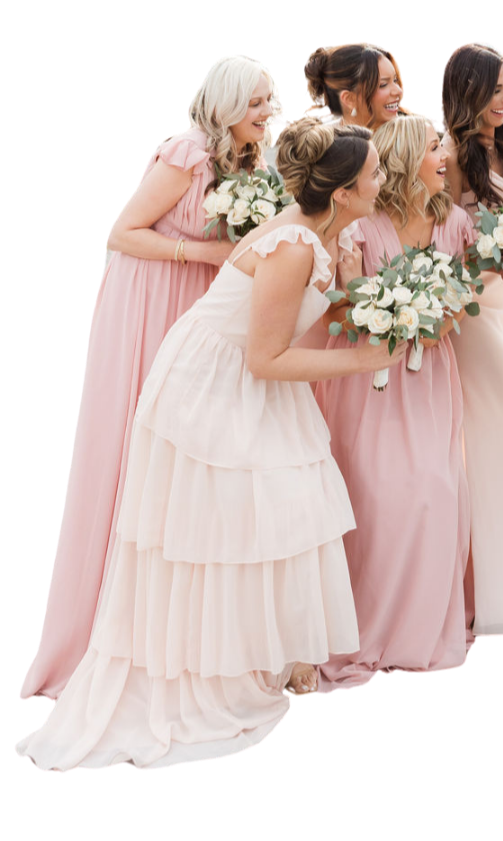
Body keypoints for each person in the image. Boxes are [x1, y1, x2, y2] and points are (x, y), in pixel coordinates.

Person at [15, 119, 399, 771]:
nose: (384, 180)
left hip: (247, 384)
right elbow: (266, 357)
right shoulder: (294, 245)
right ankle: (222, 671)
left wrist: (360, 297)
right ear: (341, 191)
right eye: (375, 174)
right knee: (229, 526)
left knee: (295, 509)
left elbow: (304, 312)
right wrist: (366, 357)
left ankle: (273, 655)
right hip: (211, 388)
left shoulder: (325, 233)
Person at [21, 55, 279, 703]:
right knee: (143, 454)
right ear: (225, 103)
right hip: (151, 307)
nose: (267, 112)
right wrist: (206, 253)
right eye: (256, 101)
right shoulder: (186, 153)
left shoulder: (252, 161)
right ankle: (112, 628)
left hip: (205, 314)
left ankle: (194, 628)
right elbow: (122, 233)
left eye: (271, 100)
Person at [315, 116, 476, 689]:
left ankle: (419, 631)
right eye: (436, 148)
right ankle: (361, 630)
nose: (446, 157)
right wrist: (376, 308)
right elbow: (340, 305)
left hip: (430, 376)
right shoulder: (363, 227)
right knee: (377, 498)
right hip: (370, 377)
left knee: (435, 491)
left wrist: (439, 319)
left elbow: (463, 296)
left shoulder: (454, 222)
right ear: (408, 160)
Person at [440, 42, 503, 636]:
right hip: (473, 314)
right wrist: (488, 261)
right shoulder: (451, 155)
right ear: (472, 90)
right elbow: (439, 242)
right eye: (499, 86)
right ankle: (490, 590)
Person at [303, 42, 408, 130]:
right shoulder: (323, 147)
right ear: (349, 99)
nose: (398, 91)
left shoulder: (414, 139)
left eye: (395, 80)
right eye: (383, 85)